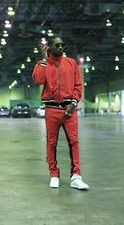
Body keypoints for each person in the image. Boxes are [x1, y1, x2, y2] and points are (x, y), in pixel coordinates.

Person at [32, 36, 89, 190]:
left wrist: (73, 103)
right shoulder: (42, 64)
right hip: (51, 110)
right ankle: (54, 175)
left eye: (63, 45)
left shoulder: (71, 63)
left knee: (74, 142)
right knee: (51, 143)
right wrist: (44, 60)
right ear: (49, 48)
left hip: (69, 110)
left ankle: (76, 176)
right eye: (57, 45)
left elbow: (78, 85)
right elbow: (38, 80)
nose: (61, 48)